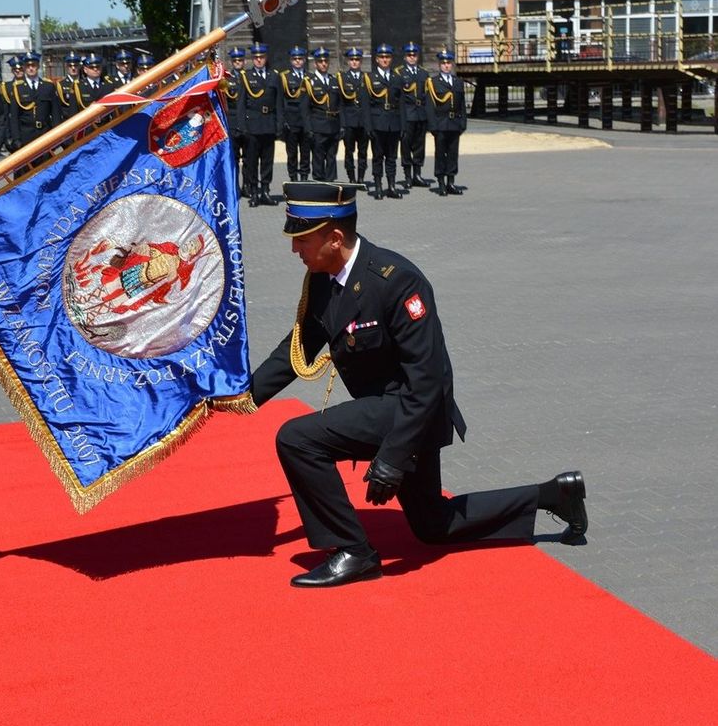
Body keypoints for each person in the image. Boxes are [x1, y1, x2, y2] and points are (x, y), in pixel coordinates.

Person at [250, 181, 589, 588]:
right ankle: (554, 495)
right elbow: (297, 349)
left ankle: (353, 552)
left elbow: (428, 380)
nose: (294, 250)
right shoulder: (324, 279)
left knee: (297, 438)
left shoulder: (396, 281)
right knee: (433, 525)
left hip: (414, 409)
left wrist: (392, 458)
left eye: (301, 240)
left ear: (335, 237)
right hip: (391, 410)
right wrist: (241, 396)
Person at [237, 42, 279, 207]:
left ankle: (265, 191)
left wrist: (279, 123)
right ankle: (254, 192)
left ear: (265, 58)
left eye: (261, 57)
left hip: (268, 124)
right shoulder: (246, 77)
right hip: (252, 125)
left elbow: (279, 103)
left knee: (268, 161)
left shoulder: (273, 76)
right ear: (253, 59)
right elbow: (241, 104)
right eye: (256, 58)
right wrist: (242, 125)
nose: (259, 60)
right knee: (252, 161)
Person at [363, 43, 403, 199]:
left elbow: (401, 104)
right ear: (377, 59)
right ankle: (378, 186)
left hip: (393, 123)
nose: (385, 60)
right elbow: (366, 105)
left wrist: (403, 126)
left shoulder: (396, 78)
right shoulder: (370, 78)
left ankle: (391, 186)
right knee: (378, 156)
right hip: (377, 123)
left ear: (391, 59)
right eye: (382, 57)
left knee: (392, 157)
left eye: (387, 57)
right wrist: (368, 126)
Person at [425, 49, 467, 196]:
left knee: (453, 153)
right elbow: (430, 106)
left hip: (455, 123)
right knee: (440, 153)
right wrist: (432, 126)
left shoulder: (458, 82)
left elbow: (462, 104)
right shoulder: (434, 82)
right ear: (439, 65)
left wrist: (463, 123)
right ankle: (441, 182)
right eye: (443, 63)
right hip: (440, 123)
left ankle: (451, 182)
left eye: (448, 63)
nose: (446, 66)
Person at [299, 47, 341, 182]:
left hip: (333, 125)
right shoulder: (309, 82)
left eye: (325, 61)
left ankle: (330, 183)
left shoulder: (334, 80)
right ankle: (319, 182)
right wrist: (308, 128)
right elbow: (304, 108)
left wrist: (342, 126)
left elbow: (340, 105)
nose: (323, 64)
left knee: (331, 157)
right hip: (318, 125)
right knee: (318, 157)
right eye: (320, 61)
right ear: (316, 63)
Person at [7, 51, 59, 154]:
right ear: (24, 67)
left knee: (45, 167)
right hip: (25, 135)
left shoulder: (48, 86)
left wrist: (56, 136)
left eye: (33, 65)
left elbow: (55, 114)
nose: (31, 68)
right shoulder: (18, 88)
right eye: (28, 66)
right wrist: (16, 138)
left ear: (38, 66)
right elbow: (14, 117)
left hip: (45, 134)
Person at [398, 41, 431, 189]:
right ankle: (407, 176)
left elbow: (428, 96)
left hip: (420, 114)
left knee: (419, 145)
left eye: (414, 55)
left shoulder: (424, 73)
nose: (412, 57)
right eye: (409, 55)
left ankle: (417, 174)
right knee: (406, 145)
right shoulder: (399, 73)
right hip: (407, 113)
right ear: (405, 57)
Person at [278, 46, 311, 182]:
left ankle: (304, 178)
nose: (298, 61)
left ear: (304, 60)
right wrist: (283, 120)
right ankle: (293, 178)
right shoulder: (285, 77)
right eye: (295, 59)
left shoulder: (310, 76)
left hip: (306, 120)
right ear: (291, 60)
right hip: (291, 120)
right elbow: (281, 100)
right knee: (292, 153)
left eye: (300, 59)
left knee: (305, 152)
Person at [337, 47, 369, 185]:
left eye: (357, 59)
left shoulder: (366, 78)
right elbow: (341, 104)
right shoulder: (343, 78)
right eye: (352, 60)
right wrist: (342, 124)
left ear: (361, 61)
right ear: (348, 61)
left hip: (363, 121)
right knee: (349, 151)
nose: (355, 62)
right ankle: (351, 177)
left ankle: (361, 177)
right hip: (349, 121)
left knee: (363, 151)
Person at [221, 46, 246, 198]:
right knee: (234, 158)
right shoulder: (227, 79)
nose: (238, 63)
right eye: (235, 60)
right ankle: (235, 187)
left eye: (240, 60)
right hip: (232, 121)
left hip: (247, 121)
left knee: (249, 160)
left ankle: (248, 186)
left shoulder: (249, 76)